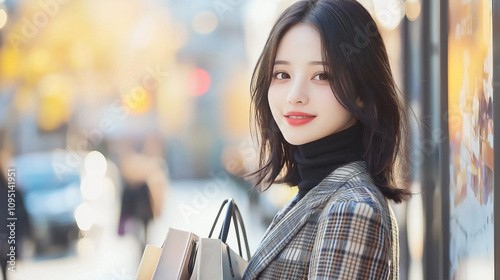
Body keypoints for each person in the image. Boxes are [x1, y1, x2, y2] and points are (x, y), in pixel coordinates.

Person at [243, 0, 411, 279]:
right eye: (282, 74)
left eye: (322, 75)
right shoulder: (311, 193)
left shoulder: (353, 209)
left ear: (362, 90)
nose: (295, 95)